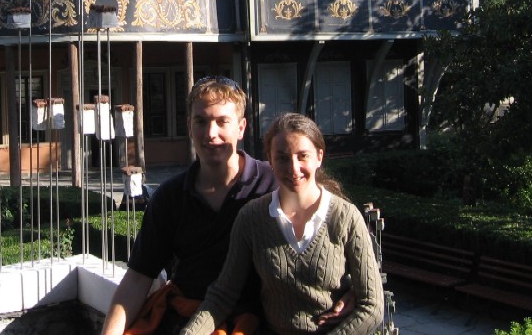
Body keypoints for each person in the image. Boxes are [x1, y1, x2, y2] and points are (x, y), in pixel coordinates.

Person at [100, 77, 353, 335]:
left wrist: (354, 289)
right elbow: (138, 278)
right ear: (189, 127)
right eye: (201, 121)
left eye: (222, 122)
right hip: (187, 318)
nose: (211, 133)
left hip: (259, 322)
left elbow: (338, 230)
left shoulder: (274, 182)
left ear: (241, 128)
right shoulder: (171, 197)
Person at [180, 113, 384, 335]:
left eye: (302, 156)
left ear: (319, 157)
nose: (293, 168)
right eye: (282, 158)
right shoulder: (252, 218)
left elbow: (372, 306)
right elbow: (223, 295)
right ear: (270, 160)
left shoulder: (346, 218)